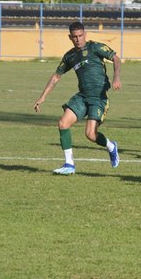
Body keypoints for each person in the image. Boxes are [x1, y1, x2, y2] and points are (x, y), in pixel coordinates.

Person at [34, 21, 122, 175]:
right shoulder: (70, 56)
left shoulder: (95, 47)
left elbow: (116, 58)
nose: (78, 39)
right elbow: (56, 77)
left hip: (98, 97)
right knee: (62, 123)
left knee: (90, 134)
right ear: (70, 37)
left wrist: (116, 77)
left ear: (85, 34)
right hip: (82, 96)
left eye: (81, 36)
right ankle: (69, 164)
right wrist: (42, 97)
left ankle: (111, 146)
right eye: (74, 37)